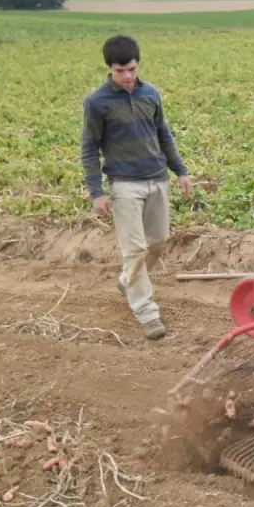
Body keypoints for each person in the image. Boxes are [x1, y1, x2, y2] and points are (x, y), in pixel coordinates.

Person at [81, 35, 193, 339]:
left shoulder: (151, 94)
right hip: (124, 185)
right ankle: (146, 312)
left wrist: (181, 171)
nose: (127, 76)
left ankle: (127, 281)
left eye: (131, 69)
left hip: (157, 178)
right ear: (110, 69)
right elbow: (90, 148)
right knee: (135, 250)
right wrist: (97, 191)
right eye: (120, 71)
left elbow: (164, 135)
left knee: (158, 242)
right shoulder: (97, 102)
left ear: (138, 63)